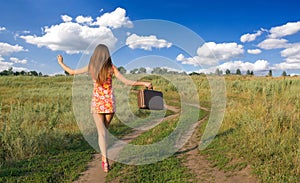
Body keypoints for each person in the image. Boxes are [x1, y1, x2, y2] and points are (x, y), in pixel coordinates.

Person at [57, 44, 152, 173]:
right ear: (107, 55)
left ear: (96, 54)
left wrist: (61, 62)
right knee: (105, 132)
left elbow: (72, 72)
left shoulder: (92, 67)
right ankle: (104, 158)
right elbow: (127, 82)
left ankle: (105, 161)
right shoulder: (111, 68)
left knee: (101, 133)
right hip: (109, 103)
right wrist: (144, 83)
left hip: (97, 103)